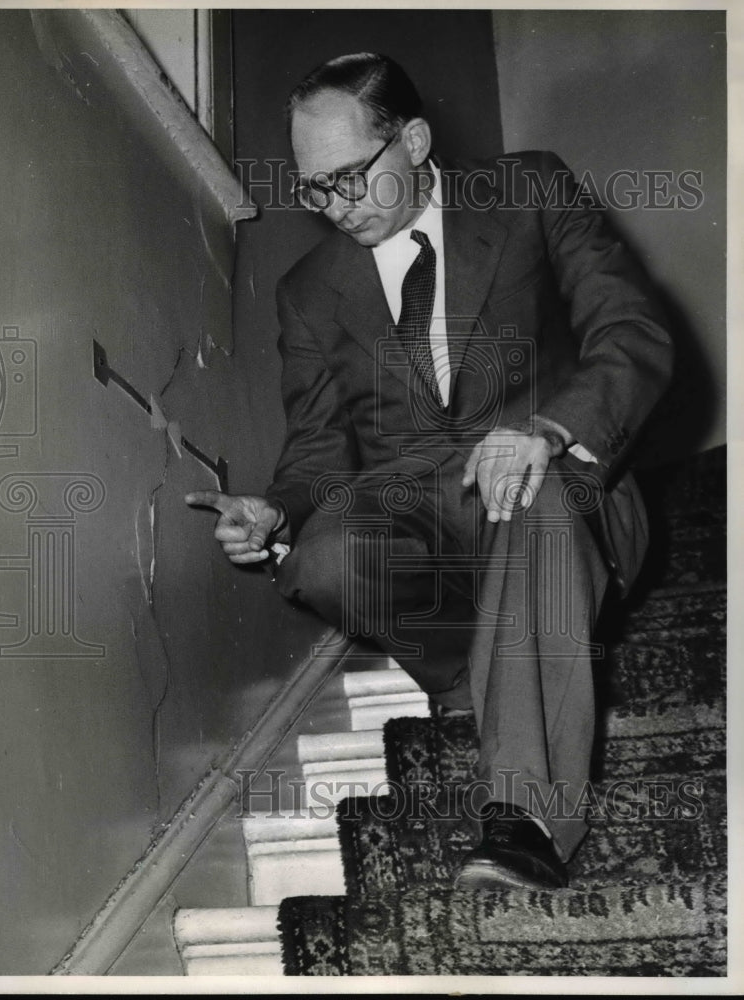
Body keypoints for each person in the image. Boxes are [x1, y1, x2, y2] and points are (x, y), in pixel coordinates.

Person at [186, 53, 672, 891]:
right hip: (428, 518)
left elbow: (630, 332)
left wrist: (548, 431)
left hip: (564, 495)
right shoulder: (309, 291)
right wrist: (277, 510)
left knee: (529, 490)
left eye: (348, 177)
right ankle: (467, 676)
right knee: (324, 558)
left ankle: (524, 816)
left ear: (412, 141)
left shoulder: (527, 191)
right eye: (314, 189)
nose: (335, 206)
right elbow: (316, 453)